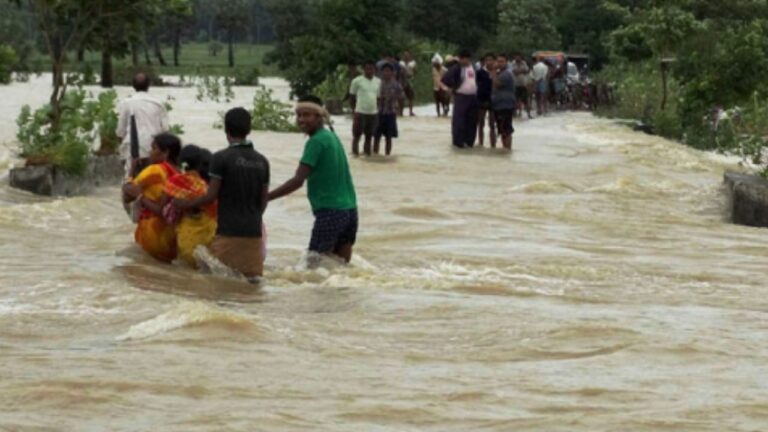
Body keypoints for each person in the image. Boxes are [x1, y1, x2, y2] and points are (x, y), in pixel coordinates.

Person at [172, 108, 270, 280]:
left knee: (220, 287)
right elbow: (263, 201)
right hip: (254, 235)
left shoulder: (221, 158)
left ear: (226, 130)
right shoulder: (262, 161)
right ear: (249, 130)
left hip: (228, 233)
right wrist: (252, 217)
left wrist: (184, 204)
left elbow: (211, 196)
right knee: (251, 287)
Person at [268, 96, 358, 264]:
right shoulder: (332, 137)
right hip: (350, 211)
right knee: (341, 269)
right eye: (299, 115)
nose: (301, 120)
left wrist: (266, 197)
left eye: (306, 115)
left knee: (314, 266)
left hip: (330, 212)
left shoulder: (316, 142)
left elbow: (298, 181)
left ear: (319, 116)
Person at [122, 133, 181, 263]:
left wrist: (131, 173)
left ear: (165, 152)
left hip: (152, 230)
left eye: (154, 148)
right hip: (173, 235)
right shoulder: (179, 172)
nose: (150, 152)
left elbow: (127, 196)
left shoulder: (154, 170)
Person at [163, 145, 218, 268]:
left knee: (186, 267)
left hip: (187, 232)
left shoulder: (174, 181)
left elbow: (163, 205)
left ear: (180, 162)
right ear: (199, 164)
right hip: (207, 232)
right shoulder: (205, 186)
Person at [116, 72, 170, 177]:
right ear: (148, 85)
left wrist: (120, 148)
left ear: (133, 86)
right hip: (154, 147)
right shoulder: (158, 104)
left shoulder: (126, 103)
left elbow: (120, 131)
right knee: (153, 177)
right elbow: (165, 130)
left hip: (132, 146)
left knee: (130, 178)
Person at [442, 50, 479, 148]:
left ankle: (469, 141)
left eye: (466, 59)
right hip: (461, 96)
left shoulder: (474, 68)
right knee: (459, 120)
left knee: (472, 120)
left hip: (473, 97)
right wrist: (454, 87)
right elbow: (445, 79)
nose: (464, 61)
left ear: (469, 59)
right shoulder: (456, 68)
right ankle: (458, 142)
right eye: (462, 59)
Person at [348, 61, 381, 156]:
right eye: (367, 69)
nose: (369, 71)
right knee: (357, 136)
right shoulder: (356, 81)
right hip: (360, 112)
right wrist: (354, 110)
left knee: (369, 136)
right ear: (363, 70)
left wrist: (377, 109)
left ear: (374, 70)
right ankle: (355, 154)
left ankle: (367, 155)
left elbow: (378, 98)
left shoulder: (378, 82)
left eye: (371, 69)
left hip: (373, 113)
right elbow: (352, 97)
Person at [375, 63, 404, 156]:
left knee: (389, 137)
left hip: (391, 113)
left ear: (392, 72)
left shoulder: (396, 84)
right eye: (384, 71)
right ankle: (375, 154)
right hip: (379, 112)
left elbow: (401, 97)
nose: (386, 73)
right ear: (381, 72)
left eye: (388, 71)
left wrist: (400, 110)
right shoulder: (378, 83)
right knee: (376, 136)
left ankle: (388, 155)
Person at [492, 53, 516, 151]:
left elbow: (497, 84)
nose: (499, 64)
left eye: (502, 62)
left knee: (506, 129)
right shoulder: (501, 73)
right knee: (503, 129)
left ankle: (507, 149)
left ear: (506, 62)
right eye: (498, 61)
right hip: (500, 105)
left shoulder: (506, 74)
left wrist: (493, 72)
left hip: (505, 105)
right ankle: (505, 149)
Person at [476, 53, 496, 147]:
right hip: (481, 99)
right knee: (481, 123)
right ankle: (480, 144)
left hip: (493, 100)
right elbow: (476, 85)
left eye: (491, 60)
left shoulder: (497, 72)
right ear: (484, 61)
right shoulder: (479, 72)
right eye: (487, 60)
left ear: (494, 61)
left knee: (492, 124)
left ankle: (493, 145)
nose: (489, 62)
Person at [512, 54, 532, 119]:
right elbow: (514, 72)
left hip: (523, 84)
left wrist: (520, 71)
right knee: (515, 100)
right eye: (516, 57)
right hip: (515, 84)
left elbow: (527, 71)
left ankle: (529, 114)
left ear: (520, 57)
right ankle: (515, 114)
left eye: (518, 57)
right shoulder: (513, 63)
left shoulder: (524, 63)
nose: (517, 58)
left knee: (526, 100)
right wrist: (522, 71)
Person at [399, 50, 417, 117]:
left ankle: (411, 111)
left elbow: (415, 71)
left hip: (410, 80)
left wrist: (412, 74)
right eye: (405, 55)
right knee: (401, 97)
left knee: (411, 97)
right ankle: (401, 111)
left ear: (410, 56)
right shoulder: (401, 63)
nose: (406, 56)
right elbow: (399, 72)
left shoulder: (413, 63)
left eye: (407, 55)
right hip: (402, 80)